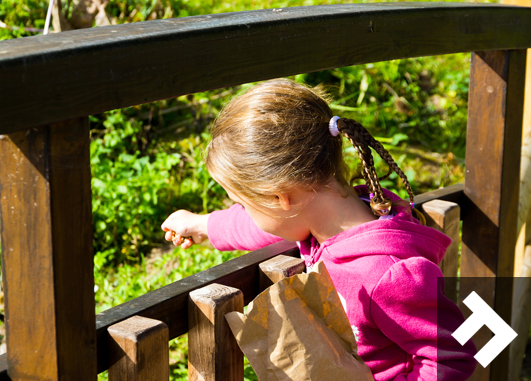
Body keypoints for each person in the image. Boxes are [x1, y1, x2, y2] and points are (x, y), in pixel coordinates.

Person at [161, 79, 477, 380]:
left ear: (279, 198)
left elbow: (452, 356)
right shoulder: (326, 214)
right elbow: (265, 225)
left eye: (244, 203)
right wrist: (204, 226)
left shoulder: (384, 275)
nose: (245, 213)